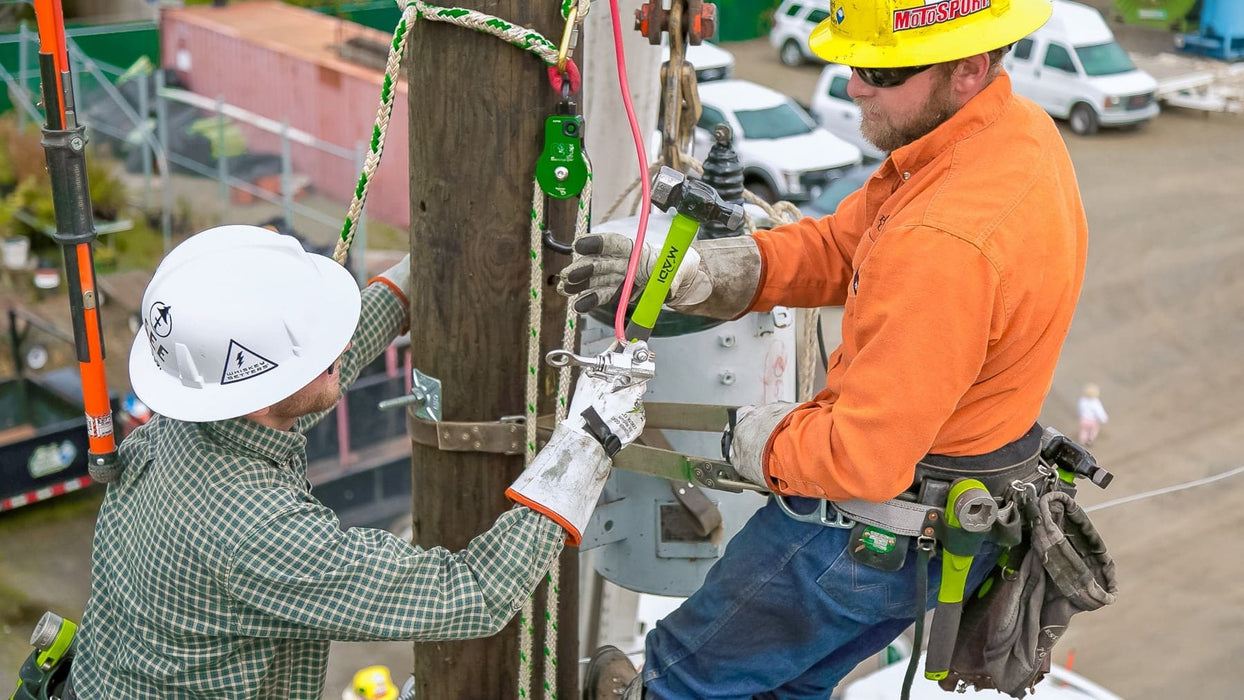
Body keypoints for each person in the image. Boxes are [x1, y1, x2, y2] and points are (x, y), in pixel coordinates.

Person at [561, 0, 1088, 696]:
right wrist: (718, 273)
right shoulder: (1002, 136)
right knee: (783, 689)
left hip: (861, 535)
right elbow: (845, 245)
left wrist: (763, 440)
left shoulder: (947, 239)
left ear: (967, 68)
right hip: (934, 518)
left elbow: (857, 459)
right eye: (849, 62)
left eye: (878, 69)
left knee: (677, 680)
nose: (851, 86)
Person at [68, 225, 649, 698]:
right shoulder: (256, 531)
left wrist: (413, 275)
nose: (341, 346)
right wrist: (587, 442)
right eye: (320, 352)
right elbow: (471, 593)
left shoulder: (189, 418)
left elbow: (304, 380)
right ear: (257, 386)